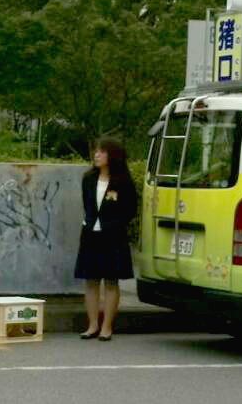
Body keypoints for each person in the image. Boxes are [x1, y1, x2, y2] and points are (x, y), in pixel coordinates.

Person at [75, 137, 137, 341]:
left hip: (113, 236)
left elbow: (131, 209)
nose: (97, 155)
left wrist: (115, 224)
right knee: (91, 281)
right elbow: (87, 204)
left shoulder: (124, 181)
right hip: (91, 234)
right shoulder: (88, 178)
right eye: (96, 152)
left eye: (102, 152)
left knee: (111, 281)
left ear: (112, 155)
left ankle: (107, 327)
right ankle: (92, 325)